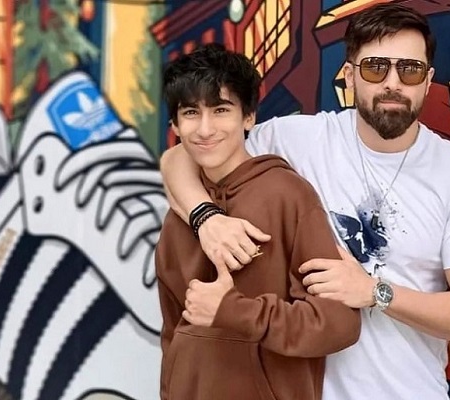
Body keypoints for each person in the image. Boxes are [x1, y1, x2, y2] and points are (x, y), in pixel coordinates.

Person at [160, 4, 450, 400]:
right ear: (349, 75)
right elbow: (184, 155)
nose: (393, 83)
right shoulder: (301, 139)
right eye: (375, 68)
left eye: (409, 70)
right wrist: (206, 218)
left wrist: (376, 292)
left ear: (427, 81)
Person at [154, 43, 361, 400]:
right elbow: (174, 332)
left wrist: (235, 312)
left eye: (221, 110)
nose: (205, 129)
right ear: (175, 124)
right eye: (191, 112)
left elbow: (338, 324)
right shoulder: (180, 215)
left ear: (248, 117)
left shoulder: (287, 195)